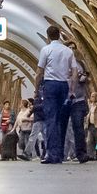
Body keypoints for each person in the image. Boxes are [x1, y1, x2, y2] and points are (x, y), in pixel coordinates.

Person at [35, 27, 80, 165]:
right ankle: (60, 153)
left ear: (48, 36)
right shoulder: (68, 51)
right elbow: (74, 72)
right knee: (62, 120)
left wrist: (36, 89)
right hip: (64, 85)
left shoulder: (46, 50)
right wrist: (72, 89)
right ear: (59, 35)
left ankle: (52, 154)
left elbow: (39, 72)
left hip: (50, 85)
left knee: (51, 119)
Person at [65, 50, 92, 162]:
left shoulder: (80, 64)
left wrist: (84, 78)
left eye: (73, 48)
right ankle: (60, 153)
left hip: (79, 99)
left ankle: (81, 154)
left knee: (78, 127)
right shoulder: (62, 64)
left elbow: (87, 79)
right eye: (69, 48)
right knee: (63, 127)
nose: (72, 50)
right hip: (65, 100)